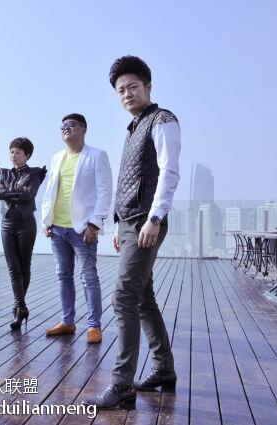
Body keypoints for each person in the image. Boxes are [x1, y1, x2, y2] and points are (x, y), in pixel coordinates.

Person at [82, 56, 181, 409]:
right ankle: (164, 370)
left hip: (145, 222)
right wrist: (118, 222)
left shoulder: (162, 120)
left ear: (148, 87)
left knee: (123, 297)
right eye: (121, 90)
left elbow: (169, 172)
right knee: (142, 298)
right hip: (129, 223)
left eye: (133, 87)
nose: (126, 94)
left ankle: (122, 385)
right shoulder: (133, 127)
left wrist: (154, 218)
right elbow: (130, 179)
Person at [41, 113, 113, 343]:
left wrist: (95, 223)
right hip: (57, 228)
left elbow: (105, 192)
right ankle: (67, 322)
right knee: (63, 276)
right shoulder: (57, 158)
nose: (66, 128)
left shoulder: (97, 155)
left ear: (83, 129)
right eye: (62, 125)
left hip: (83, 229)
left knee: (88, 276)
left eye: (71, 125)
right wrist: (46, 220)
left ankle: (94, 326)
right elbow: (50, 191)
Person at [0, 138, 47, 330]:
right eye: (11, 152)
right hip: (7, 224)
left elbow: (28, 195)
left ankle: (18, 308)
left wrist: (8, 192)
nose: (13, 155)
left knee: (24, 267)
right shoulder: (4, 173)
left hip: (26, 225)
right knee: (13, 269)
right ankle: (21, 307)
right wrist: (16, 191)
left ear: (27, 155)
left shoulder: (34, 173)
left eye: (17, 152)